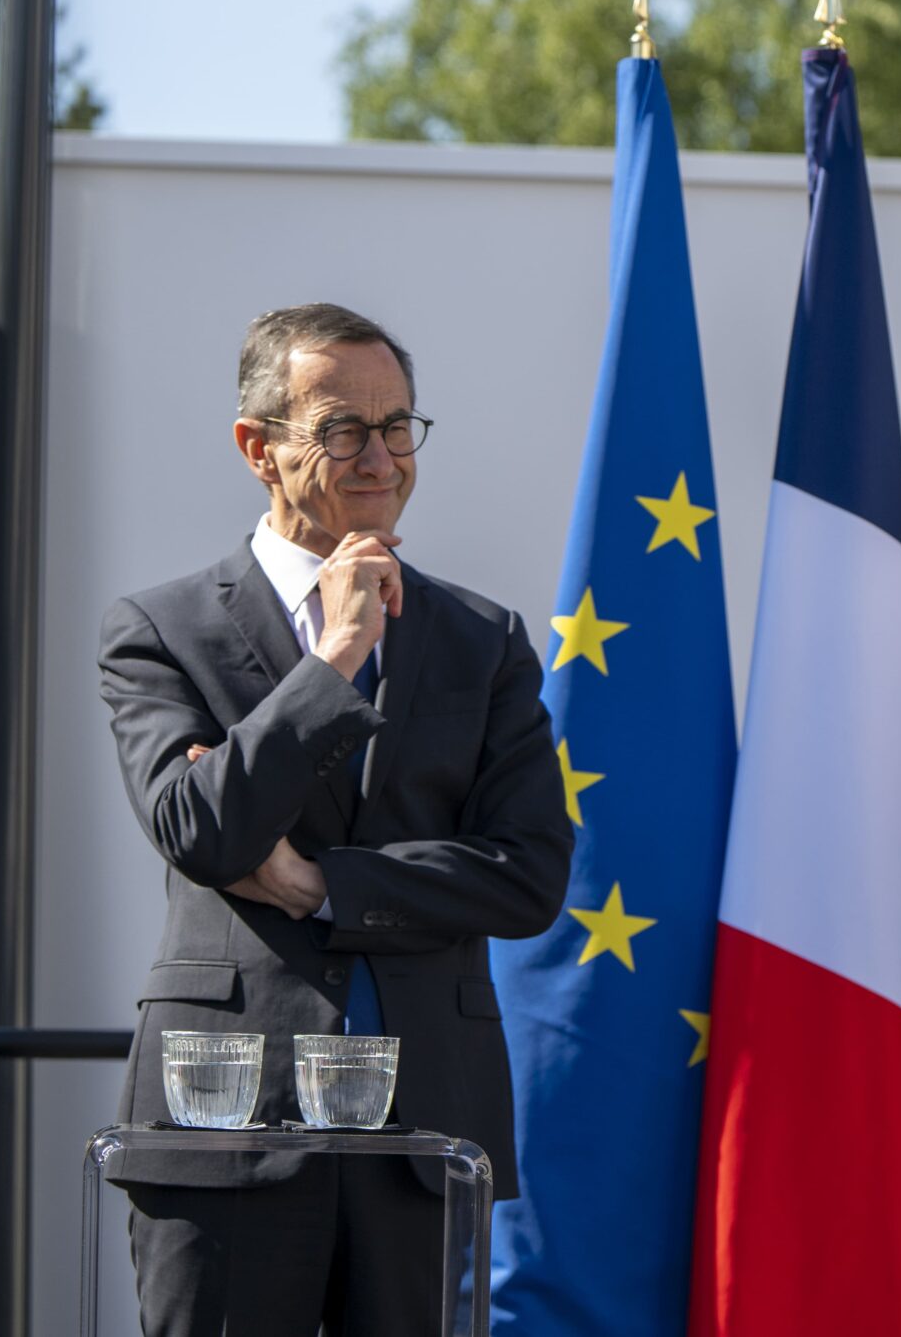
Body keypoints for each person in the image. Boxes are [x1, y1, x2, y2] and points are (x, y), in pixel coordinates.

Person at [100, 303, 572, 1335]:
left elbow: (528, 875)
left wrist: (325, 886)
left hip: (424, 1136)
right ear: (256, 447)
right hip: (223, 1124)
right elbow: (203, 831)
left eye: (398, 425)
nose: (380, 456)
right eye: (342, 428)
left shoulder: (482, 640)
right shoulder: (160, 631)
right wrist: (336, 660)